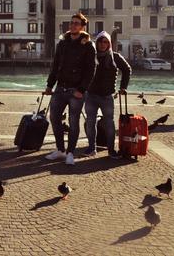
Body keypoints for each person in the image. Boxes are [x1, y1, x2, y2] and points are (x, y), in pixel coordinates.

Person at [43, 12, 96, 165]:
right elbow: (55, 66)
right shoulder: (63, 42)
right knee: (54, 118)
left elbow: (90, 70)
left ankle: (70, 153)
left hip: (76, 90)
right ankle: (60, 150)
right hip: (60, 88)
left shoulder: (87, 45)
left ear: (82, 26)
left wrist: (82, 89)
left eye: (76, 23)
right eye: (71, 23)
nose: (72, 25)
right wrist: (49, 85)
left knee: (73, 122)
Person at [84, 31, 131, 159]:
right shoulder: (90, 56)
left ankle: (111, 150)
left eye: (106, 42)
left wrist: (123, 87)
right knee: (90, 122)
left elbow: (127, 70)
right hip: (91, 95)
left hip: (107, 97)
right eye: (100, 41)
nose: (103, 44)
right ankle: (91, 148)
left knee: (109, 124)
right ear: (96, 42)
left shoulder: (115, 57)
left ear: (109, 44)